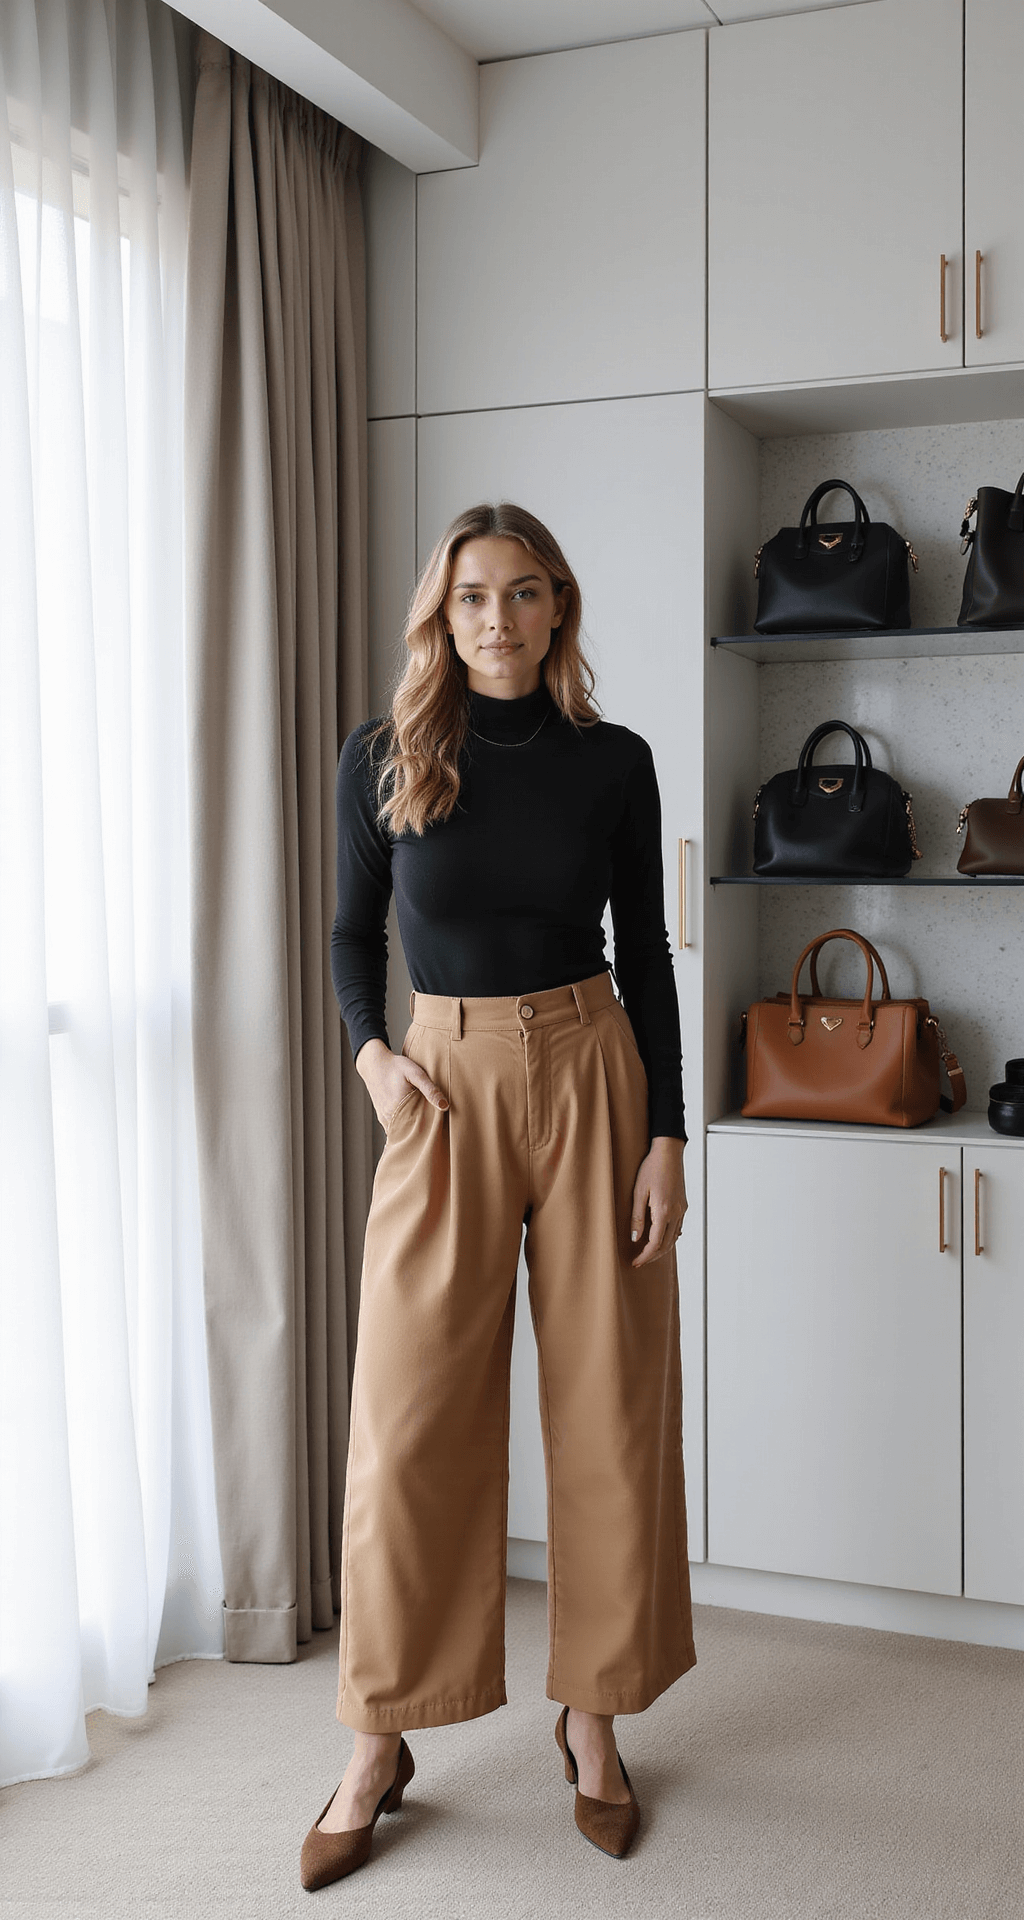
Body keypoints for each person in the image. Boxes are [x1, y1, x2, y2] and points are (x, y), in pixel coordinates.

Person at [300, 502, 696, 1891]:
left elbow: (644, 948)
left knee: (609, 1404)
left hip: (594, 1068)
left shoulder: (616, 763)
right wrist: (371, 1059)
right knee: (405, 1424)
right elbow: (353, 934)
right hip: (442, 1081)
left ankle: (590, 1718)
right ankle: (380, 1734)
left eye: (525, 595)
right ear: (441, 611)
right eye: (473, 596)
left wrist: (668, 1137)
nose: (499, 620)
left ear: (559, 609)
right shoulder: (383, 757)